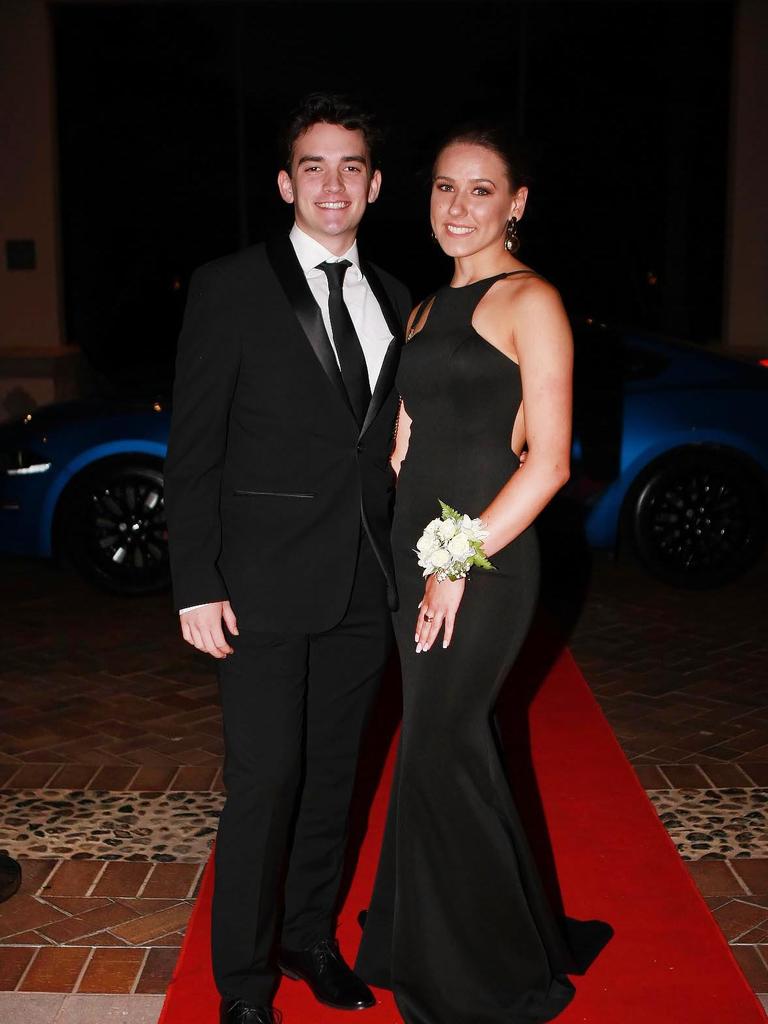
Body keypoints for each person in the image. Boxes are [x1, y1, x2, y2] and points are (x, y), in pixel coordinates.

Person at [164, 93, 410, 1024]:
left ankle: (310, 937)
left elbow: (382, 442)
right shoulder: (227, 286)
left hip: (363, 584)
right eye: (314, 165)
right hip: (258, 588)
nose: (333, 182)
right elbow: (195, 451)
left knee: (333, 779)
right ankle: (243, 985)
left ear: (376, 183)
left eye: (351, 165)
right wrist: (196, 582)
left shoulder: (395, 297)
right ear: (285, 181)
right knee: (265, 785)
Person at [355, 124, 577, 1023]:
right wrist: (401, 464)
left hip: (482, 555)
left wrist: (453, 561)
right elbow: (431, 430)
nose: (458, 206)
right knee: (437, 745)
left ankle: (488, 971)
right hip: (421, 546)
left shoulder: (533, 301)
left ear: (515, 204)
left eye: (481, 190)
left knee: (446, 745)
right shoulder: (420, 310)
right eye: (446, 187)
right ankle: (425, 937)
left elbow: (549, 459)